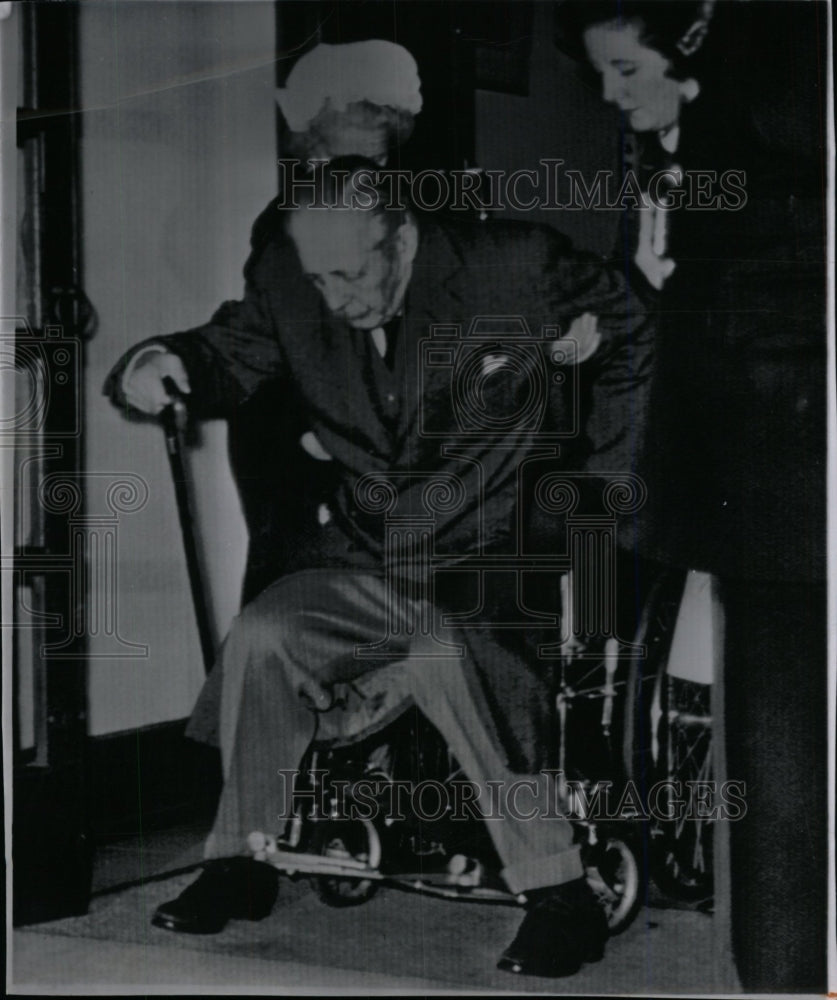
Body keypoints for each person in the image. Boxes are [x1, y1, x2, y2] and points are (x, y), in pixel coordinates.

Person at [106, 159, 651, 977]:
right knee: (267, 631)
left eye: (352, 273)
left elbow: (633, 328)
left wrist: (603, 492)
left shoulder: (514, 264)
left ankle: (558, 891)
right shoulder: (291, 277)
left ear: (402, 235)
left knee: (451, 653)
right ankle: (242, 859)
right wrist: (157, 360)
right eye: (318, 276)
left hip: (487, 550)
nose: (334, 297)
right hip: (369, 542)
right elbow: (227, 351)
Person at [556, 1, 829, 991]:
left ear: (696, 64)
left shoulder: (765, 151)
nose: (610, 93)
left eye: (627, 69)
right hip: (706, 482)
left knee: (784, 746)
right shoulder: (675, 164)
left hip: (769, 480)